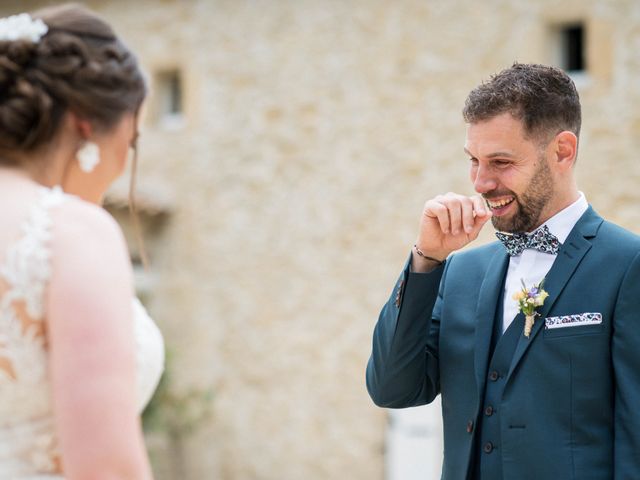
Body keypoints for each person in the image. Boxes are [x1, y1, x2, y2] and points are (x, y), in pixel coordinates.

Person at [366, 63, 640, 480]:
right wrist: (427, 260)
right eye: (474, 161)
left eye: (501, 162)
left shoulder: (627, 265)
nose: (480, 182)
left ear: (563, 151)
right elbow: (393, 388)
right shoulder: (459, 273)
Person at [0, 4, 163, 479]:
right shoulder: (67, 234)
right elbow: (106, 469)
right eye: (129, 144)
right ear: (87, 125)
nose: (121, 167)